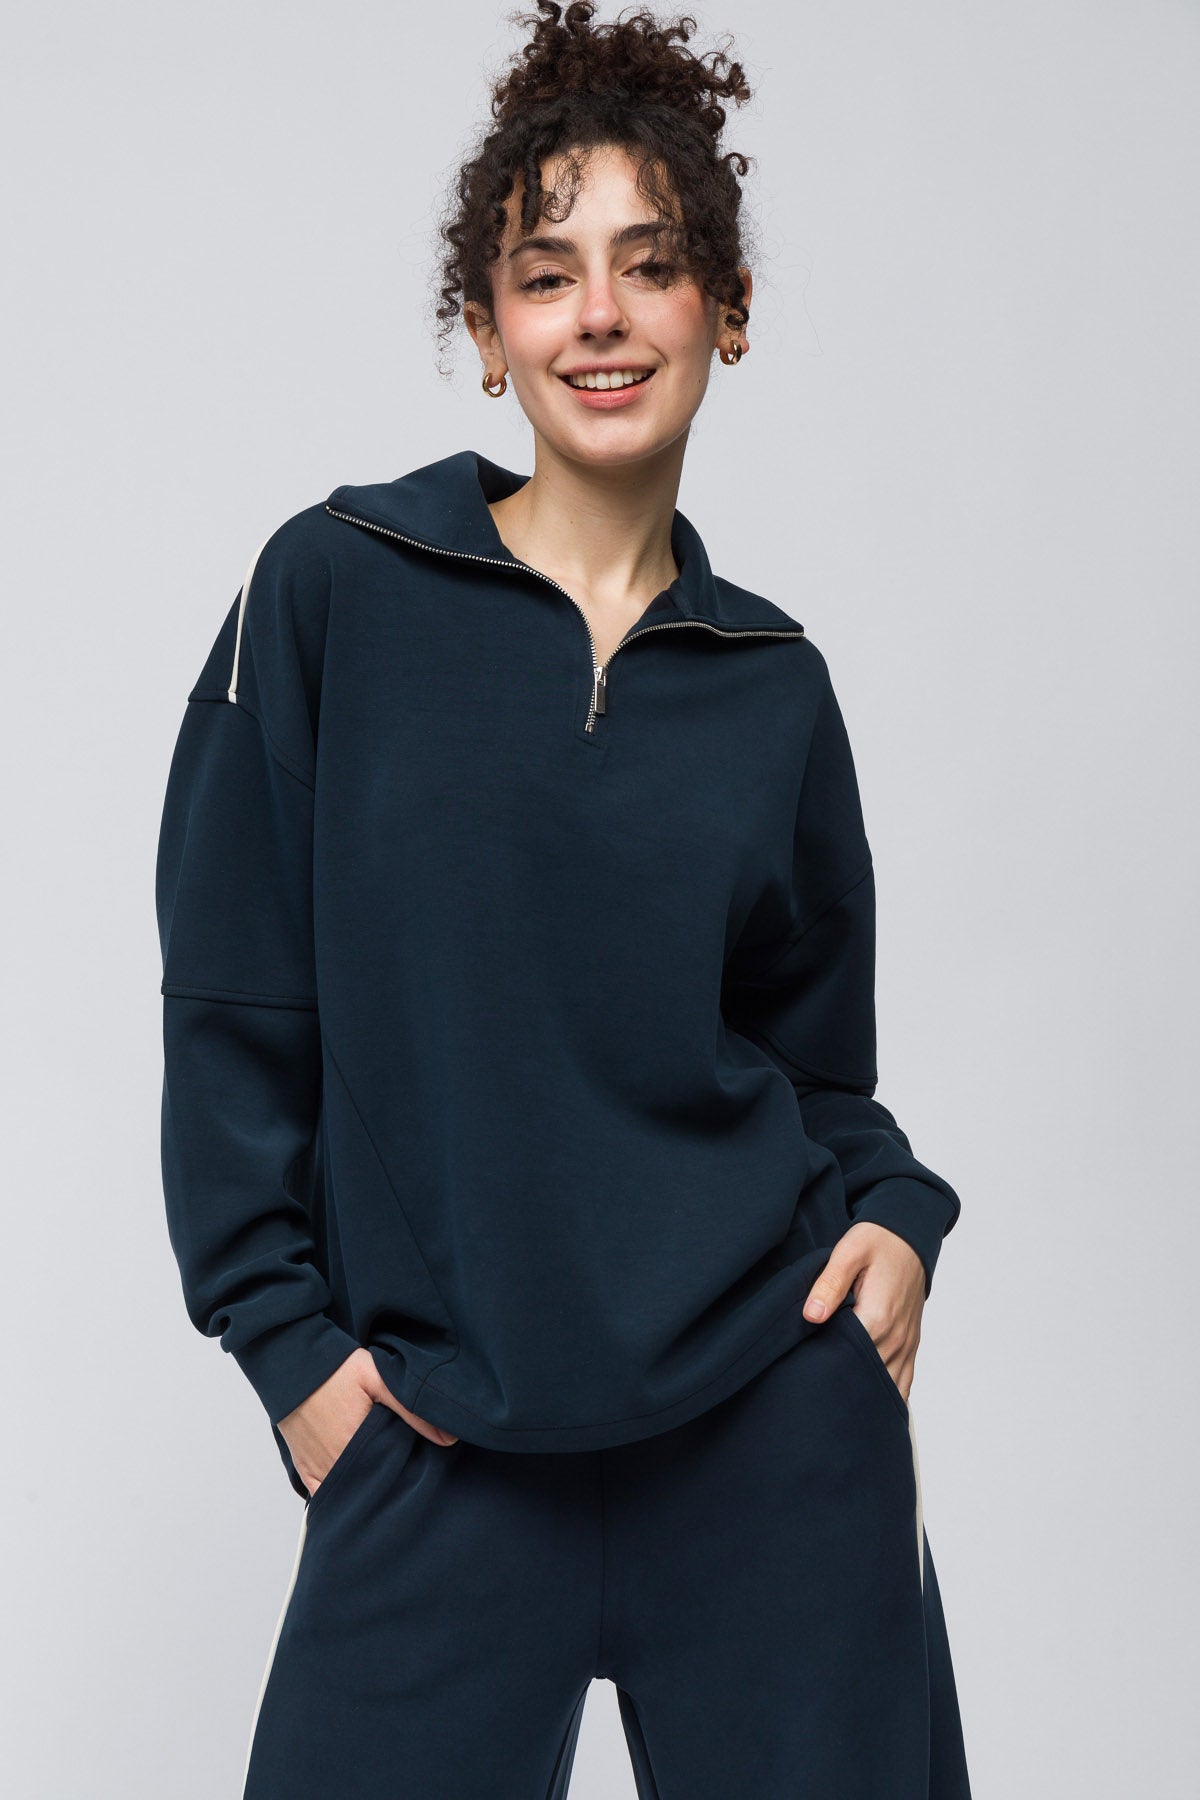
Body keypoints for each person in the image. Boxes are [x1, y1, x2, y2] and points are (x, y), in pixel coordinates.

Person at [155, 4, 972, 1794]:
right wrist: (291, 1354)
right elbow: (232, 1002)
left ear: (725, 311)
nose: (599, 313)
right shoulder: (336, 590)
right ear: (487, 329)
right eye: (546, 275)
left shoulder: (773, 684)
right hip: (437, 1444)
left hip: (773, 1434)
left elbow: (809, 1073)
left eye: (651, 266)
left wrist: (902, 1219)